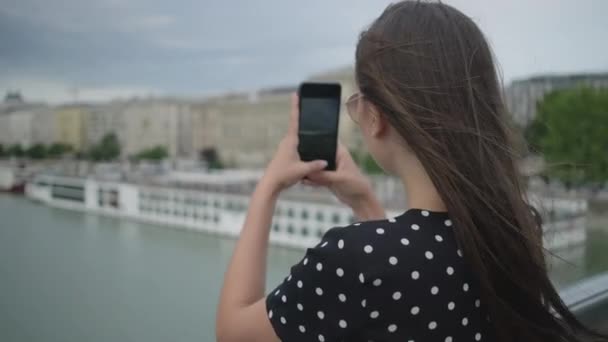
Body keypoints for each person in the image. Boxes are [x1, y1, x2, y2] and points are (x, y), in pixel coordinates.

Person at [216, 1, 607, 341]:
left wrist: (269, 185)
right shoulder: (515, 229)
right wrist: (365, 200)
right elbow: (409, 274)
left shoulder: (351, 258)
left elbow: (234, 333)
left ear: (374, 117)